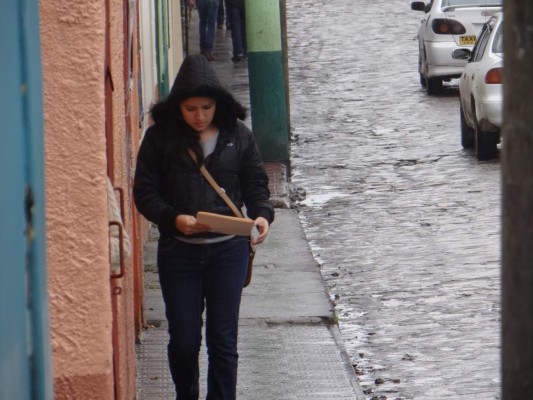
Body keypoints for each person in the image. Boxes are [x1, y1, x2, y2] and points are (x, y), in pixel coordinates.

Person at [133, 54, 274, 400]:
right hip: (179, 253)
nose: (200, 116)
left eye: (207, 108)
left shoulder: (237, 135)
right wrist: (173, 219)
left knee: (223, 340)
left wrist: (261, 215)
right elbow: (144, 192)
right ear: (178, 107)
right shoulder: (159, 139)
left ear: (218, 104)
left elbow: (256, 183)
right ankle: (187, 394)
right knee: (184, 340)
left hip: (228, 251)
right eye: (191, 108)